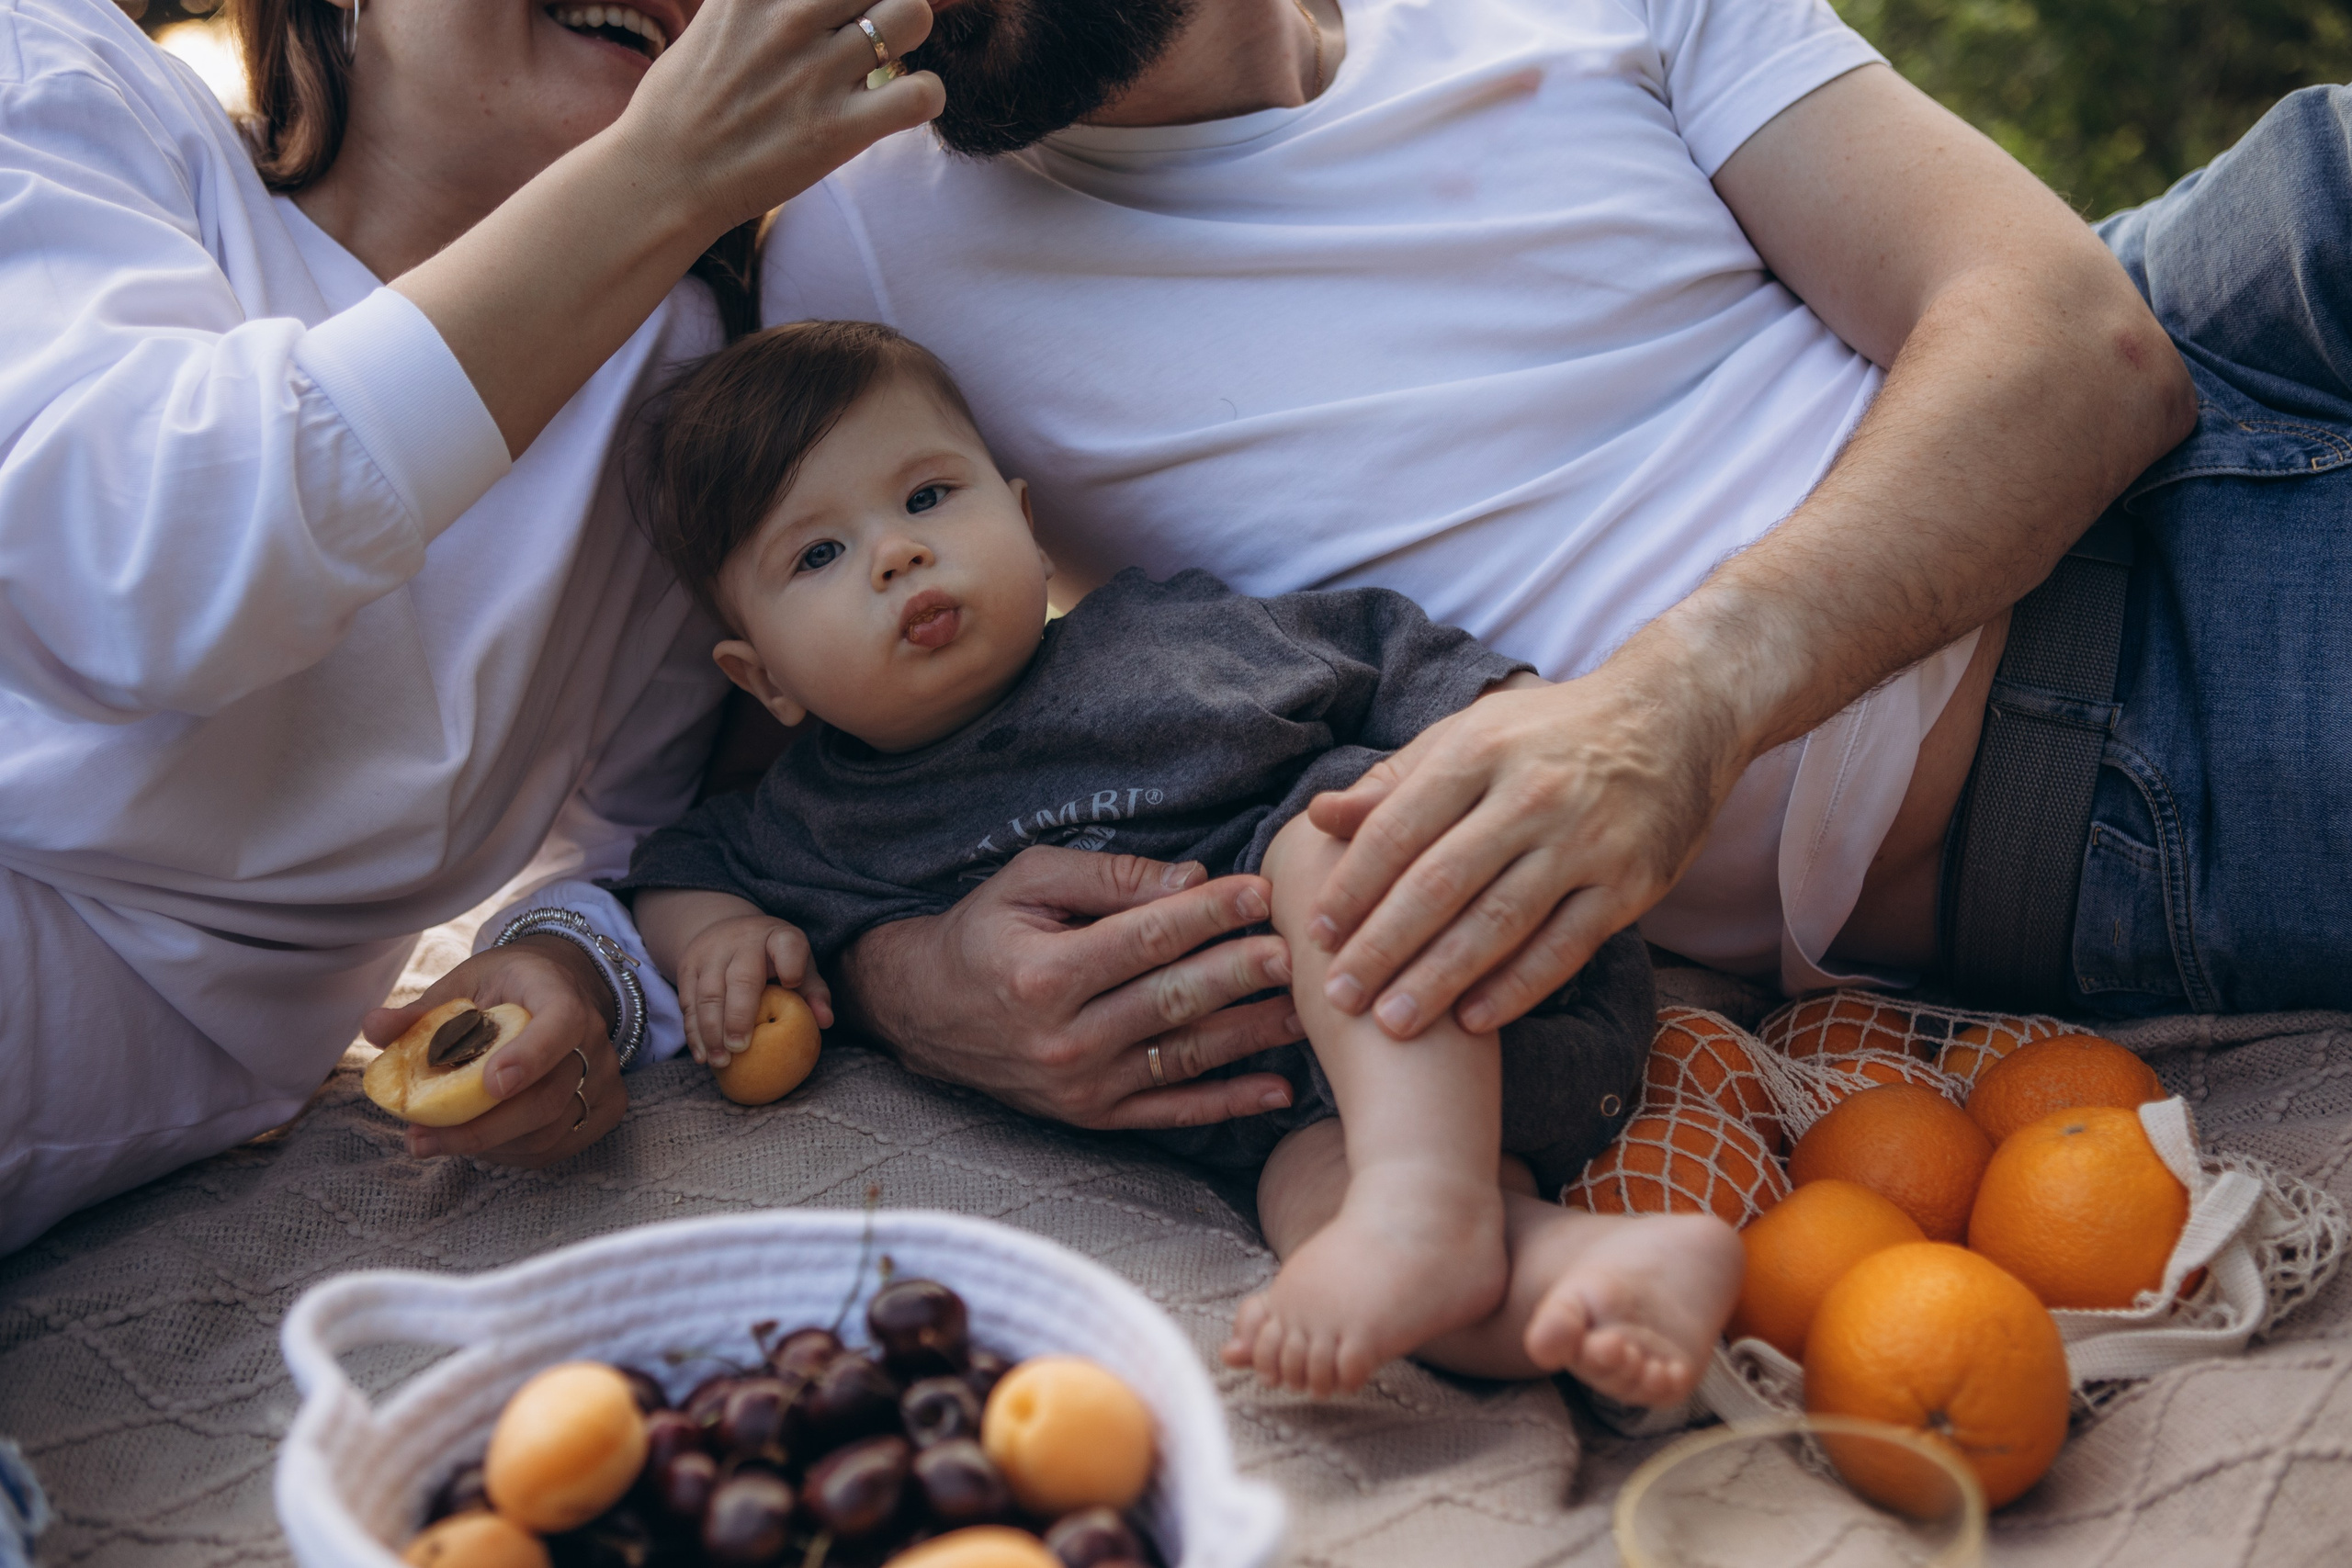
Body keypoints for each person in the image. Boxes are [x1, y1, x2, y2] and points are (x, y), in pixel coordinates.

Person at [748, 0, 2346, 1116]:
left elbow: (2075, 342)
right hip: (2111, 738)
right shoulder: (862, 247)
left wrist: (1670, 709)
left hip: (2203, 291)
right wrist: (903, 982)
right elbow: (743, 769)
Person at [615, 321, 1742, 1402]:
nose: (898, 551)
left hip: (1471, 973)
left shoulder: (1161, 637)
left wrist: (1516, 714)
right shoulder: (812, 819)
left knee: (1326, 842)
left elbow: (1383, 647)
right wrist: (713, 933)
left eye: (928, 497)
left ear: (1024, 523)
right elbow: (675, 867)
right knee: (1316, 1223)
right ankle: (1589, 1279)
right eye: (819, 552)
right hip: (1320, 1115)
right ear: (761, 678)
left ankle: (1420, 1200)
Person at [0, 0, 951, 1254]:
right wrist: (656, 176)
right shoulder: (70, 84)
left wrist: (568, 971)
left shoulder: (669, 396)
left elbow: (633, 842)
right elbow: (131, 571)